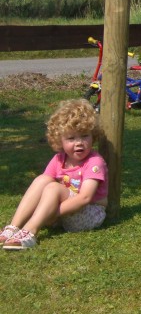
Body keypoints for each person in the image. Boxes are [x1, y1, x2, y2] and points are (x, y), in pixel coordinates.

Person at [2, 99, 108, 250]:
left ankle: (30, 230)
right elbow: (41, 187)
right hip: (66, 213)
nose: (79, 143)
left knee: (53, 188)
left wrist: (52, 215)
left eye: (84, 136)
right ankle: (13, 227)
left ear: (93, 136)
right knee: (42, 180)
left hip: (89, 214)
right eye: (71, 138)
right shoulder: (59, 159)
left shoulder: (94, 162)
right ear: (60, 140)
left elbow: (85, 198)